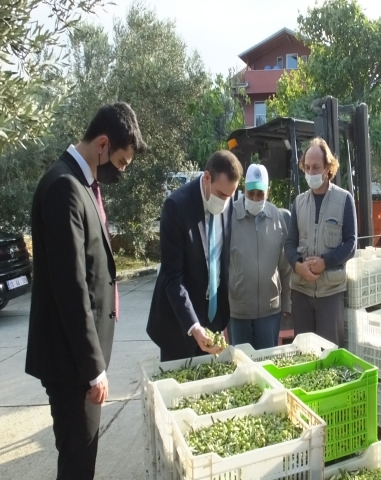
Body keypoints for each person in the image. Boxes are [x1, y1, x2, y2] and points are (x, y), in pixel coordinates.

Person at [25, 102, 146, 480]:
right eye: (123, 163)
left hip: (76, 360)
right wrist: (94, 369)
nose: (121, 172)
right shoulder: (65, 187)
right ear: (103, 144)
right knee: (78, 462)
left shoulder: (79, 184)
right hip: (72, 365)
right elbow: (71, 286)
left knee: (80, 457)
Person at [147, 150, 243, 361]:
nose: (225, 202)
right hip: (179, 324)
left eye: (230, 195)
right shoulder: (177, 207)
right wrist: (193, 325)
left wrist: (217, 320)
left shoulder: (227, 203)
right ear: (207, 178)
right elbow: (173, 277)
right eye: (221, 195)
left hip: (213, 318)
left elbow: (219, 261)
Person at [284, 137, 357, 346]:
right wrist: (298, 266)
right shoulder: (299, 202)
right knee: (303, 353)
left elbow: (351, 243)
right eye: (307, 167)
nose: (311, 173)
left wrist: (325, 261)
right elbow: (289, 244)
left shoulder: (344, 200)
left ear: (328, 168)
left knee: (329, 351)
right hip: (301, 291)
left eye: (316, 167)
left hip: (330, 292)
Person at [227, 164, 292, 349]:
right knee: (242, 367)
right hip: (238, 312)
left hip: (269, 311)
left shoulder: (277, 219)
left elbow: (285, 267)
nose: (255, 198)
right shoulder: (229, 216)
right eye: (251, 193)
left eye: (260, 194)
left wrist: (287, 302)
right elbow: (220, 266)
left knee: (267, 365)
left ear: (268, 192)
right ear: (243, 189)